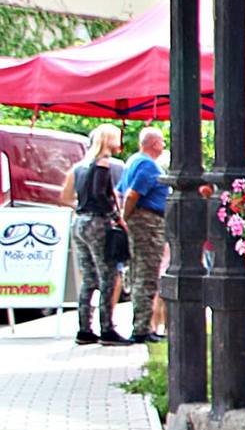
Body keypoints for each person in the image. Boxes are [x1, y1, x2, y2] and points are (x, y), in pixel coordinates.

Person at [58, 124, 129, 346]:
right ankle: (107, 328)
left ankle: (84, 328)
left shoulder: (79, 167)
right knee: (108, 275)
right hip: (97, 222)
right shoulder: (102, 164)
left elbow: (66, 196)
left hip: (79, 221)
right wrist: (116, 217)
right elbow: (100, 194)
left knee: (88, 277)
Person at [116, 126, 168, 344]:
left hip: (142, 220)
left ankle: (142, 326)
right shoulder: (147, 165)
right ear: (154, 144)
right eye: (162, 141)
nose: (164, 145)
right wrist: (125, 218)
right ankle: (141, 329)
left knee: (140, 272)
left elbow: (119, 191)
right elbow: (131, 194)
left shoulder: (132, 161)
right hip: (148, 223)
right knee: (146, 275)